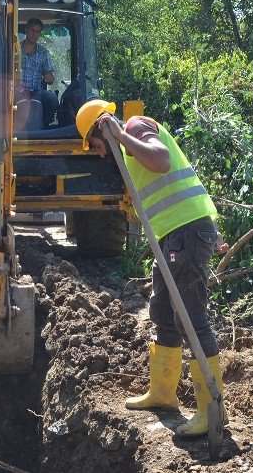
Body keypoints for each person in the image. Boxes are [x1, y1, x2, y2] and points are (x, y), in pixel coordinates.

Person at [75, 99, 228, 437]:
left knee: (191, 316)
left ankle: (211, 408)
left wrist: (119, 134)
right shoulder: (127, 147)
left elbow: (161, 160)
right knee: (162, 310)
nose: (100, 153)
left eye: (97, 144)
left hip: (185, 233)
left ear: (102, 128)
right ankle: (163, 392)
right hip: (175, 236)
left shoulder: (135, 128)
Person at [18, 17, 58, 128]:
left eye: (38, 32)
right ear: (26, 30)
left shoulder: (43, 53)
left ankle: (43, 127)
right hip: (17, 91)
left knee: (52, 99)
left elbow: (50, 76)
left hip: (36, 92)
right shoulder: (14, 50)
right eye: (32, 30)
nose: (34, 34)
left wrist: (49, 77)